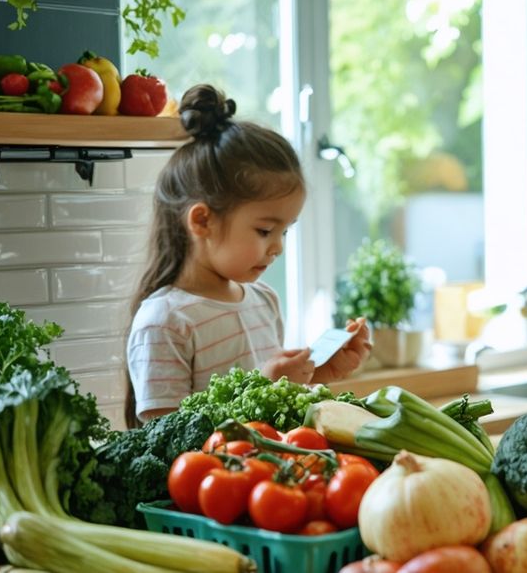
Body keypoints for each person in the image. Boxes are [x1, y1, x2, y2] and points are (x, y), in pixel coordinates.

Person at [125, 84, 371, 427]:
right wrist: (262, 385)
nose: (278, 247)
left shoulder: (264, 301)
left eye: (285, 231)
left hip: (263, 478)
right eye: (264, 231)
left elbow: (268, 416)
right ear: (203, 220)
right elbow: (166, 442)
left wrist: (316, 375)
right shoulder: (166, 322)